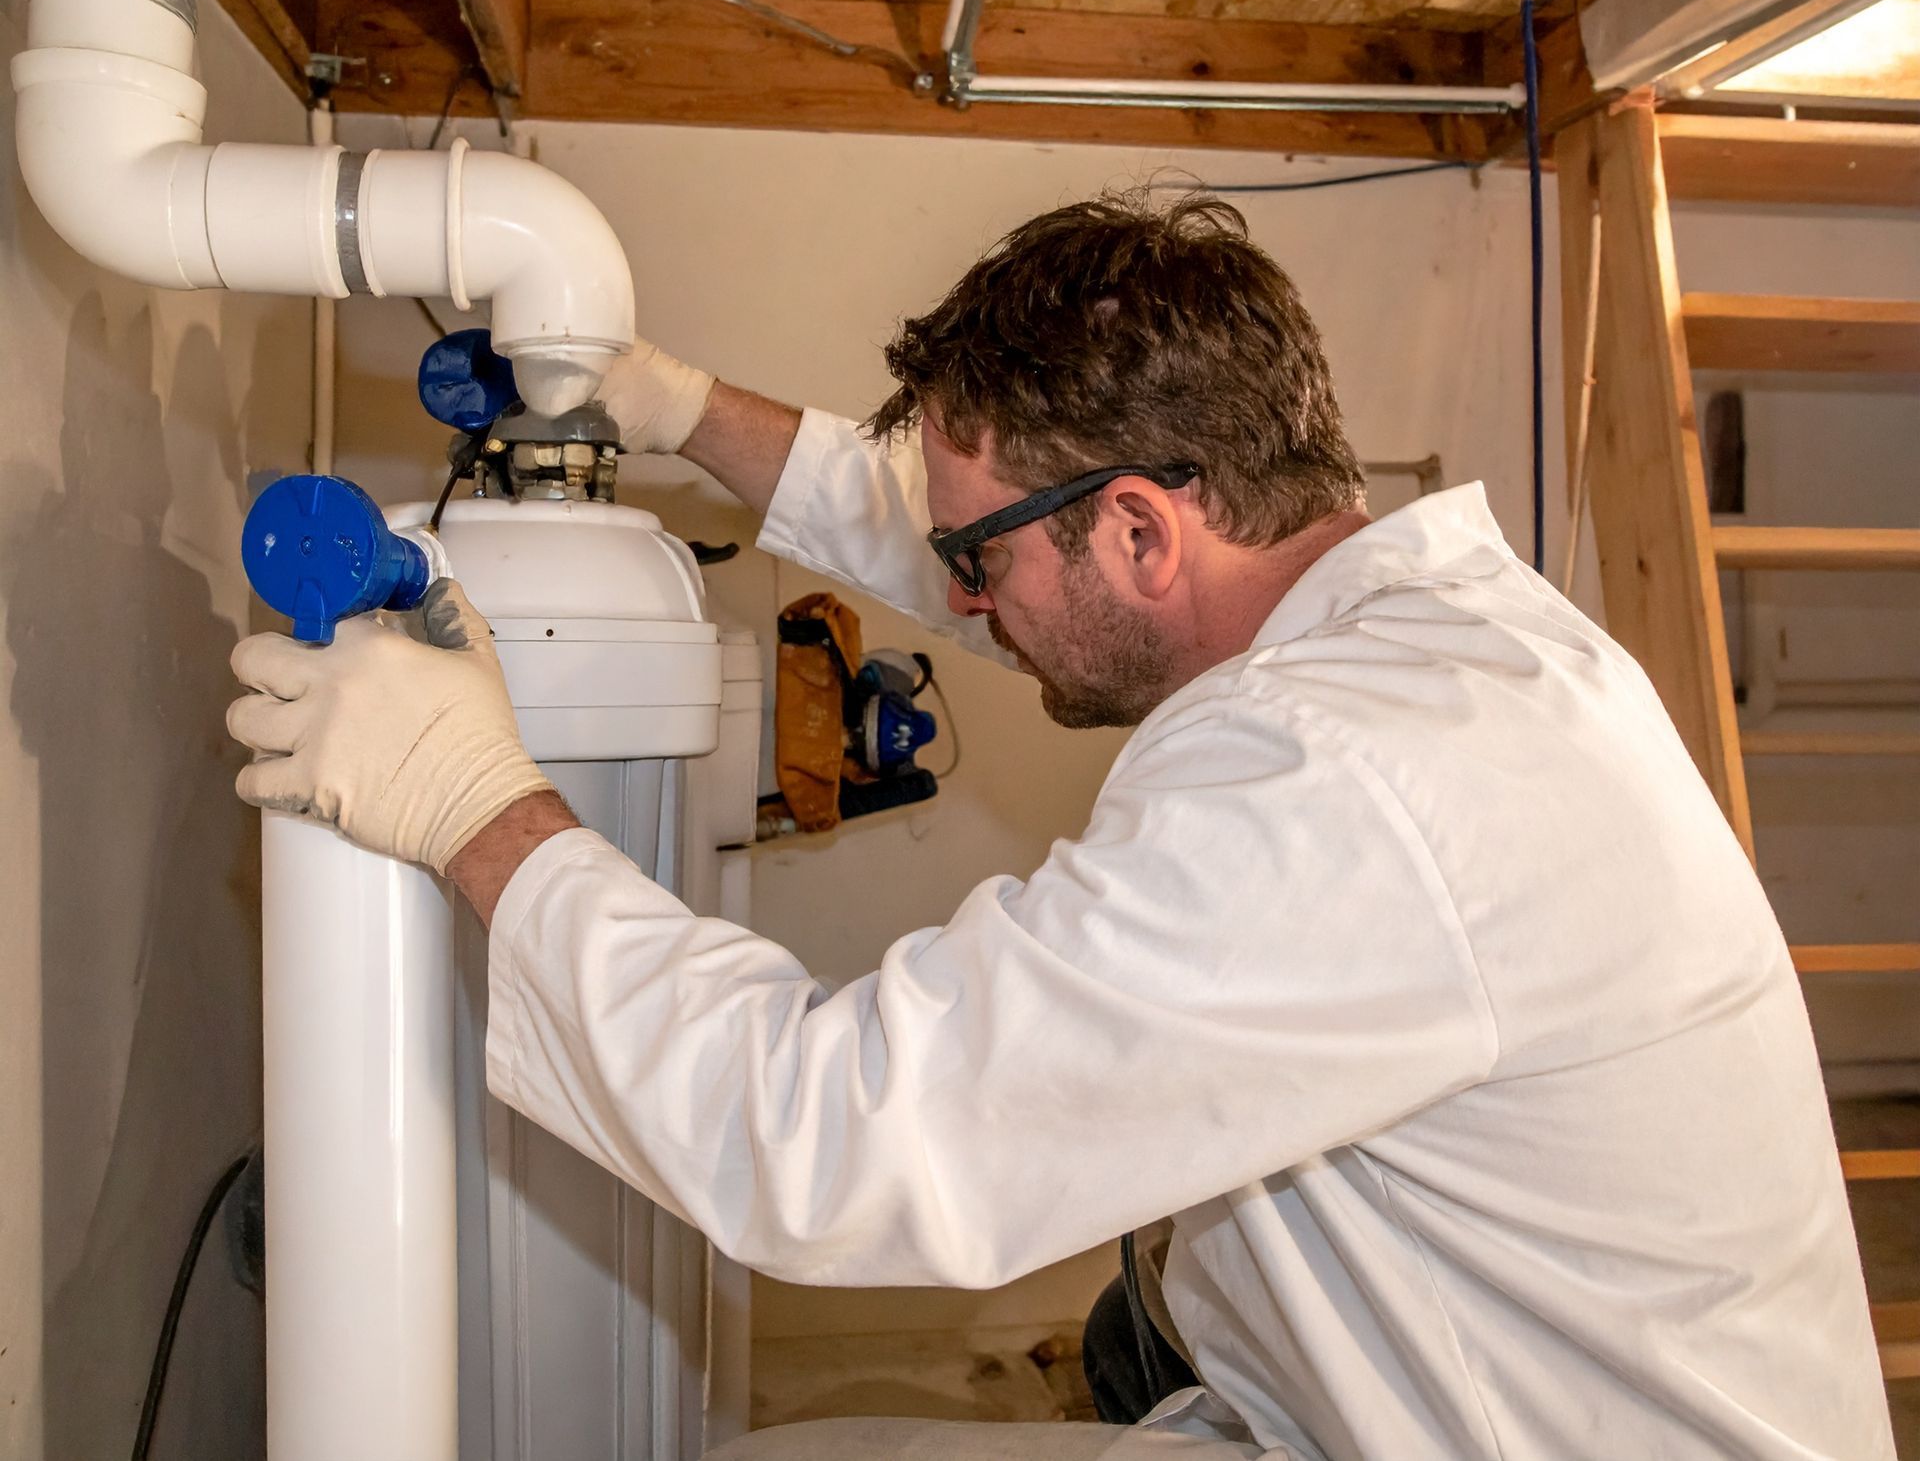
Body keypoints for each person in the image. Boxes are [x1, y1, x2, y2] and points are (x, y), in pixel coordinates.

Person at [226, 192, 1894, 1461]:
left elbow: (835, 1135)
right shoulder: (1420, 623)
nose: (957, 601)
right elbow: (991, 551)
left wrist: (476, 812)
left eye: (979, 567)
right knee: (1106, 1346)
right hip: (1419, 1365)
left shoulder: (1333, 788)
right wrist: (675, 408)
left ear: (1144, 529)